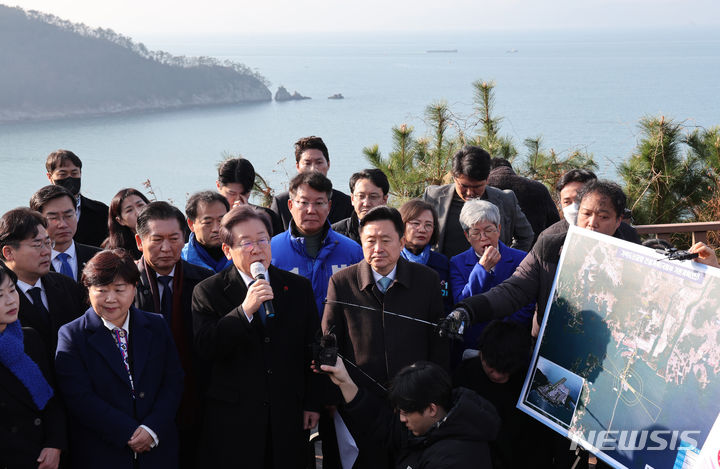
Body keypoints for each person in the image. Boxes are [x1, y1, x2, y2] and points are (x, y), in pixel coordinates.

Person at [192, 206, 322, 468]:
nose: (257, 248)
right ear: (227, 251)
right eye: (246, 242)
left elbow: (313, 348)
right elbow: (207, 347)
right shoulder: (208, 291)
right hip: (235, 419)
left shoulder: (297, 287)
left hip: (288, 414)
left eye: (263, 240)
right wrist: (244, 311)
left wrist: (312, 402)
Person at [322, 206, 449, 469]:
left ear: (402, 241)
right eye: (370, 241)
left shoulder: (426, 280)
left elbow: (438, 345)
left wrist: (434, 396)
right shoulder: (342, 282)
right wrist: (333, 398)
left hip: (415, 404)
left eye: (386, 240)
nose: (377, 248)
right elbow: (329, 342)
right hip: (359, 402)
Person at [442, 180, 635, 338]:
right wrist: (469, 310)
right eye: (586, 214)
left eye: (603, 217)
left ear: (618, 220)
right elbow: (515, 290)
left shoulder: (633, 253)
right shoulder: (551, 244)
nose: (592, 223)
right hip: (553, 340)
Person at [55, 249, 184, 469]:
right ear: (88, 290)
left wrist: (151, 428)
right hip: (103, 452)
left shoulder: (156, 325)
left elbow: (173, 380)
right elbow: (79, 397)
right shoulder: (72, 335)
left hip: (157, 448)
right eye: (101, 290)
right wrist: (128, 432)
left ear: (134, 288)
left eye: (119, 289)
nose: (110, 298)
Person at [133, 201, 214, 469]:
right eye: (156, 240)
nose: (166, 248)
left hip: (196, 398)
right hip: (141, 403)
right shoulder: (125, 284)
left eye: (173, 239)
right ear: (139, 241)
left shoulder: (204, 282)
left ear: (185, 237)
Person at [318, 358, 500, 469]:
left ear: (431, 409)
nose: (401, 419)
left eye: (405, 412)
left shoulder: (453, 460)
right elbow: (382, 423)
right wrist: (344, 382)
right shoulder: (429, 425)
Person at [453, 320, 546, 469]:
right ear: (481, 354)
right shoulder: (464, 377)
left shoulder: (533, 388)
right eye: (491, 367)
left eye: (505, 370)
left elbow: (538, 446)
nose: (496, 375)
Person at [0, 263, 66, 469]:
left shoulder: (29, 338)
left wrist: (55, 444)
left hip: (44, 456)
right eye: (0, 296)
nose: (11, 300)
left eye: (12, 290)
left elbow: (52, 397)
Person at [271, 171, 363, 315]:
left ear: (329, 206)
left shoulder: (352, 251)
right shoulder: (272, 251)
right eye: (303, 202)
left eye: (319, 203)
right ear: (290, 205)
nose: (311, 210)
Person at [449, 199, 533, 354]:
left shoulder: (521, 259)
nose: (483, 237)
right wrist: (482, 269)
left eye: (488, 230)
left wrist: (501, 333)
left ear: (499, 229)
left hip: (511, 343)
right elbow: (462, 302)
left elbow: (528, 304)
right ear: (467, 236)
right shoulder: (457, 263)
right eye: (475, 232)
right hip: (473, 343)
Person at [0, 208, 86, 355]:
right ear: (8, 252)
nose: (47, 251)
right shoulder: (4, 298)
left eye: (48, 243)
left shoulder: (68, 286)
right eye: (37, 245)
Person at [423, 145, 533, 259]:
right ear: (454, 178)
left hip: (491, 273)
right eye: (464, 186)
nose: (470, 193)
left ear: (487, 179)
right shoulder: (433, 197)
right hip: (445, 273)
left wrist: (505, 260)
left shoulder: (505, 200)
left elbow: (526, 236)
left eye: (477, 187)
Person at [270, 136, 354, 229]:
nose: (313, 169)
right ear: (297, 166)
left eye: (319, 162)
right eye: (307, 163)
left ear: (328, 164)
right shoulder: (281, 203)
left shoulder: (345, 203)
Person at [545, 168, 641, 243]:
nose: (574, 208)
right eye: (567, 202)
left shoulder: (627, 234)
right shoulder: (549, 239)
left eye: (579, 199)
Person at [30, 185, 102, 283]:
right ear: (37, 220)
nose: (63, 224)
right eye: (53, 218)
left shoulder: (98, 257)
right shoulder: (30, 265)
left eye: (68, 215)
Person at [45, 149, 109, 247]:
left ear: (80, 174)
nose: (69, 178)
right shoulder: (39, 212)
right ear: (50, 177)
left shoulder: (101, 211)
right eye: (63, 174)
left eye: (74, 173)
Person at [488, 157, 559, 245]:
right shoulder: (538, 188)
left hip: (490, 250)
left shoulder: (481, 188)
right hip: (534, 249)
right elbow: (555, 225)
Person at [398, 199, 452, 311]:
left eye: (428, 225)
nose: (422, 230)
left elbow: (446, 303)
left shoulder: (441, 263)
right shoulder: (391, 260)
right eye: (416, 223)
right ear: (402, 225)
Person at [215, 157, 284, 236]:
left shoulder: (266, 216)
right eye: (232, 193)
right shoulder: (208, 215)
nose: (237, 200)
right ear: (218, 185)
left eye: (244, 194)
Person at [332, 168, 390, 244]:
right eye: (361, 196)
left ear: (384, 200)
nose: (366, 203)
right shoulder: (334, 233)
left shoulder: (396, 232)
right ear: (352, 199)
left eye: (373, 197)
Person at [182, 191, 232, 273]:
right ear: (191, 224)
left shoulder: (242, 255)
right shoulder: (180, 259)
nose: (216, 229)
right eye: (208, 222)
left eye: (221, 221)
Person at [103, 188, 150, 260]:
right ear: (120, 221)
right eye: (129, 210)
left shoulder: (170, 230)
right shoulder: (114, 251)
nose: (138, 212)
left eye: (140, 205)